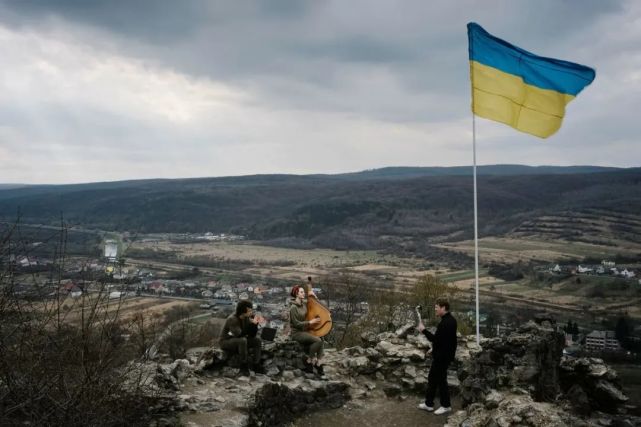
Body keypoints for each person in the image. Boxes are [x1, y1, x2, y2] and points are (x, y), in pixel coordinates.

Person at [417, 298, 457, 415]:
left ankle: (446, 406)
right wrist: (434, 349)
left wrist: (424, 330)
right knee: (433, 379)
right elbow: (445, 341)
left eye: (436, 307)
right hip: (442, 355)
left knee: (440, 381)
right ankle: (429, 404)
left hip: (442, 357)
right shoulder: (450, 320)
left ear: (443, 308)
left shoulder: (446, 323)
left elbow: (435, 339)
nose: (435, 309)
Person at [219, 300, 264, 375]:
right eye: (249, 310)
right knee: (242, 340)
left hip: (237, 339)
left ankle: (256, 364)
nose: (251, 312)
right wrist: (251, 324)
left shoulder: (246, 318)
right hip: (226, 341)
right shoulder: (232, 319)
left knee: (257, 340)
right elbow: (239, 335)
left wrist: (254, 324)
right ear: (242, 311)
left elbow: (252, 335)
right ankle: (243, 365)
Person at [289, 285, 324, 375]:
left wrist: (314, 296)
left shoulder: (303, 303)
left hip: (304, 331)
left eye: (303, 292)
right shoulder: (293, 308)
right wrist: (310, 322)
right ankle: (309, 360)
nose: (303, 293)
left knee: (321, 337)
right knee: (318, 341)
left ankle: (319, 362)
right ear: (296, 294)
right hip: (296, 333)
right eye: (301, 292)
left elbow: (315, 303)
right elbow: (296, 324)